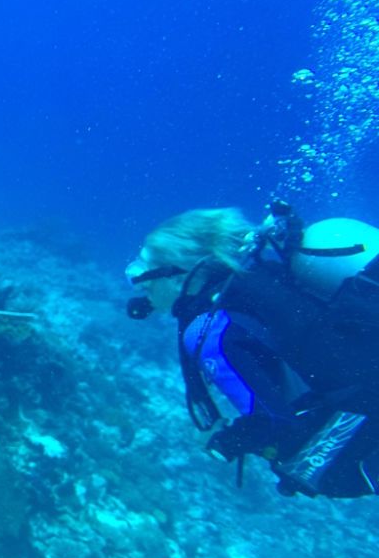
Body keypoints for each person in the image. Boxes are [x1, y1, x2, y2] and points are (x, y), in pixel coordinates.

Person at [126, 200, 379, 498]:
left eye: (145, 269)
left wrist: (220, 442)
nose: (138, 281)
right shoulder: (261, 281)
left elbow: (273, 422)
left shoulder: (207, 329)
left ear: (182, 274)